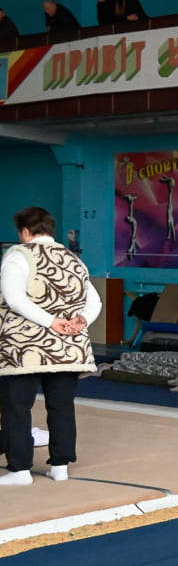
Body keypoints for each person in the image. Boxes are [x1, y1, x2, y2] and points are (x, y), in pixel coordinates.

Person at [0, 207, 101, 486]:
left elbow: (14, 298)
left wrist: (50, 322)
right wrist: (81, 320)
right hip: (68, 348)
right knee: (61, 406)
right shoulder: (74, 259)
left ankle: (20, 470)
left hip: (25, 348)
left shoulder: (19, 255)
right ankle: (60, 467)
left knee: (17, 407)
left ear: (24, 231)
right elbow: (94, 301)